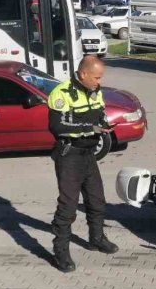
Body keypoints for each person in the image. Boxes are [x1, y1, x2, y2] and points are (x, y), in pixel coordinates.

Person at [48, 55, 119, 273]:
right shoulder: (62, 93)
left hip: (89, 154)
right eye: (96, 77)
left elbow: (100, 115)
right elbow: (57, 126)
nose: (99, 82)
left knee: (97, 200)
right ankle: (61, 251)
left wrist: (105, 124)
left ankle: (96, 238)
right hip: (69, 154)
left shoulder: (95, 91)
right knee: (68, 207)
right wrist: (92, 128)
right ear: (84, 74)